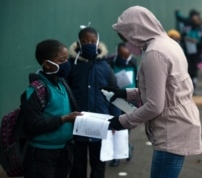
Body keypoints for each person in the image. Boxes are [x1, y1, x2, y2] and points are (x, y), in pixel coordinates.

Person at [102, 6, 202, 178]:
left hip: (171, 130)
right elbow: (167, 89)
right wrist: (125, 94)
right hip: (181, 122)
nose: (127, 44)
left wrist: (122, 121)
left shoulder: (154, 54)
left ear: (136, 31)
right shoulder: (169, 43)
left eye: (126, 38)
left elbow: (155, 105)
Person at [22, 39, 82, 178]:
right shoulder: (35, 90)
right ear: (48, 64)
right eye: (62, 60)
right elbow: (33, 124)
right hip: (42, 154)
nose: (66, 64)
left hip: (64, 150)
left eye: (67, 59)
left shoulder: (61, 83)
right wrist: (63, 119)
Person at [66, 26, 122, 178]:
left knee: (98, 165)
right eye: (84, 41)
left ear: (98, 42)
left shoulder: (105, 67)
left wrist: (115, 120)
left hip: (101, 123)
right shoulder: (72, 66)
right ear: (78, 44)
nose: (88, 44)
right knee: (77, 165)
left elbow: (114, 94)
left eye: (92, 41)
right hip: (77, 124)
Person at [105, 42, 137, 167]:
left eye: (126, 56)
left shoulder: (133, 63)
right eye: (121, 55)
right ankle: (116, 156)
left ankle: (125, 148)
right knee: (114, 127)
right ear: (116, 52)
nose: (123, 58)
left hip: (129, 100)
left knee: (125, 127)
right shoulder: (109, 63)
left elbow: (137, 81)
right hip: (114, 99)